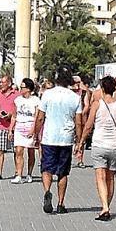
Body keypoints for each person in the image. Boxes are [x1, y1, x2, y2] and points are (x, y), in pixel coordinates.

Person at [79, 76, 116, 221]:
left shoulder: (97, 104)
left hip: (99, 144)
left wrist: (81, 142)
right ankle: (106, 206)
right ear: (114, 88)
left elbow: (89, 125)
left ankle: (104, 207)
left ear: (102, 89)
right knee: (110, 177)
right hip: (115, 145)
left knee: (100, 177)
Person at [35, 67, 82, 215]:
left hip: (49, 136)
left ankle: (47, 191)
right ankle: (61, 203)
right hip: (66, 138)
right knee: (63, 172)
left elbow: (41, 117)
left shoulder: (47, 94)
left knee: (47, 168)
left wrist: (36, 133)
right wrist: (79, 141)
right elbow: (79, 121)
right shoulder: (75, 97)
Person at [12, 79, 40, 184]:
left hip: (30, 125)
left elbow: (37, 116)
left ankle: (29, 173)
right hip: (19, 126)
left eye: (22, 87)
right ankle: (19, 174)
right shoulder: (17, 100)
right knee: (18, 151)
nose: (20, 89)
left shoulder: (36, 100)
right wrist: (11, 129)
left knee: (31, 151)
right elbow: (14, 115)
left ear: (28, 89)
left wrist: (34, 129)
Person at [0, 76, 17, 180]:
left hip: (14, 126)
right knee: (0, 150)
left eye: (3, 82)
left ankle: (17, 172)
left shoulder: (17, 95)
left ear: (9, 83)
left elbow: (20, 109)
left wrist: (11, 115)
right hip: (1, 126)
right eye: (0, 82)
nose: (1, 84)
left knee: (16, 151)